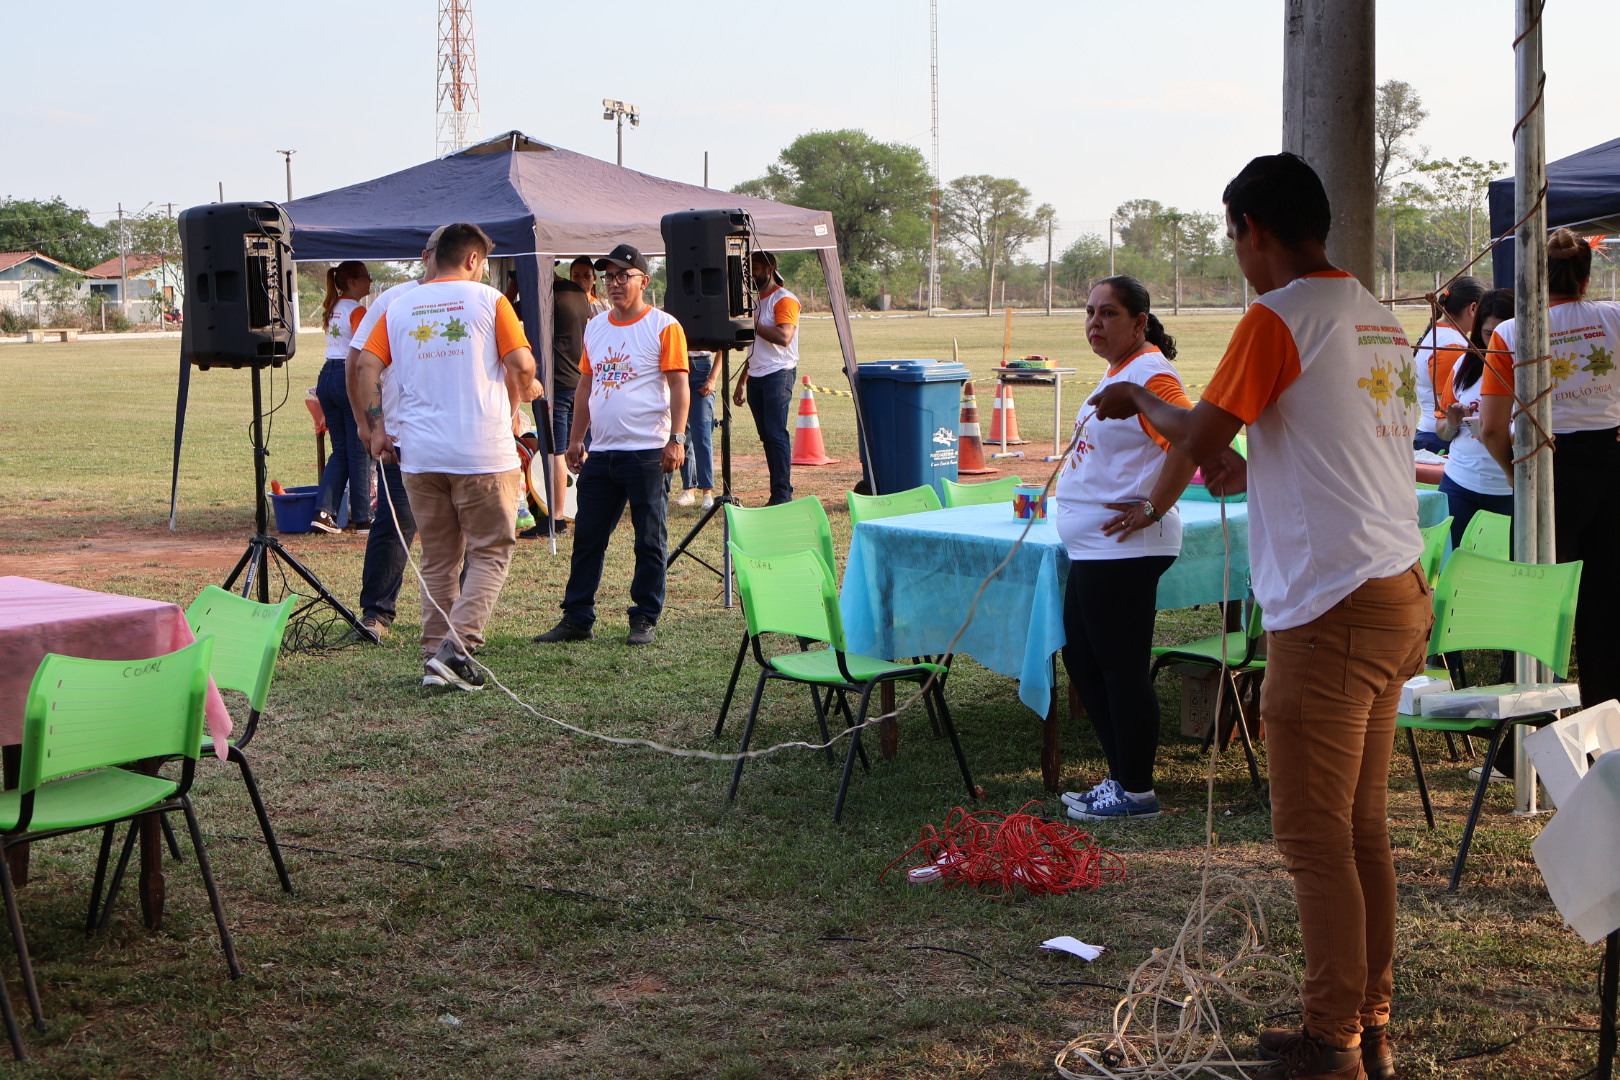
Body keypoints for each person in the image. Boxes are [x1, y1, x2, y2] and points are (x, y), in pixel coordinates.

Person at [1090, 153, 1431, 1080]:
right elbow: (1306, 447)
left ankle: (1333, 1046)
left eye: (1233, 235)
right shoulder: (1376, 315)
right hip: (1393, 589)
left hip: (1331, 606)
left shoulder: (1278, 317)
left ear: (1255, 230)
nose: (1236, 253)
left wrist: (1141, 400)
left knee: (1316, 840)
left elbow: (1200, 433)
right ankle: (1365, 1019)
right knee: (1358, 832)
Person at [353, 222, 541, 691]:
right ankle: (456, 650)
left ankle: (433, 655)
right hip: (481, 453)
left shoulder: (399, 306)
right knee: (491, 552)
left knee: (439, 559)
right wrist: (529, 383)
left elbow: (365, 366)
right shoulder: (490, 301)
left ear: (437, 256)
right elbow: (521, 363)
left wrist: (376, 427)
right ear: (475, 260)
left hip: (419, 455)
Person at [1053, 275, 1196, 822]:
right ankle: (1121, 779)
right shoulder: (1120, 372)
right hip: (1095, 550)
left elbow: (1188, 440)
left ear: (1139, 322)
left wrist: (1153, 508)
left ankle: (1136, 790)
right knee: (1084, 660)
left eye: (1108, 313)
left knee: (1120, 667)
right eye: (1089, 312)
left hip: (1126, 551)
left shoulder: (1153, 376)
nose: (1095, 323)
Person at [1480, 228, 1620, 713]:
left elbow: (1492, 430)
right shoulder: (1614, 316)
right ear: (1586, 278)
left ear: (1532, 277)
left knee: (1536, 609)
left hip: (1546, 470)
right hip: (1611, 469)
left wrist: (1516, 479)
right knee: (1608, 609)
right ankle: (1611, 732)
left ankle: (1521, 742)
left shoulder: (1511, 331)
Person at [533, 243, 690, 647]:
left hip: (648, 451)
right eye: (609, 277)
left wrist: (676, 438)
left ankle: (645, 616)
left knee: (649, 538)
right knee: (588, 536)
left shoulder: (663, 326)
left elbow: (678, 384)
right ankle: (578, 616)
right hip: (601, 452)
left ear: (644, 281)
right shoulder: (597, 325)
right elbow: (586, 383)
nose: (615, 283)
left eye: (624, 276)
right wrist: (576, 438)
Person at [344, 228, 444, 639]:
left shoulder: (479, 300)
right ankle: (376, 614)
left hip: (461, 438)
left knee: (467, 532)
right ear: (426, 256)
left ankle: (459, 619)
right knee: (396, 522)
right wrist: (366, 423)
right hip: (403, 436)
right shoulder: (394, 299)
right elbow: (356, 362)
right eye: (444, 252)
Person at [1435, 287, 1514, 550]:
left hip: (1509, 488)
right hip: (1459, 482)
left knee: (1506, 566)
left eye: (1504, 333)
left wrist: (1504, 432)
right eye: (1489, 333)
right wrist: (1453, 422)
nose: (1496, 343)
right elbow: (1442, 432)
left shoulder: (1531, 372)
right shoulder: (1464, 366)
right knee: (1453, 560)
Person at [520, 268, 592, 537]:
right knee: (579, 448)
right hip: (578, 380)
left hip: (557, 385)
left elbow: (506, 309)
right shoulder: (577, 292)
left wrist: (516, 284)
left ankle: (557, 519)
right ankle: (584, 509)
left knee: (556, 454)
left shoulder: (544, 298)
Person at [313, 260, 374, 534]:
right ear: (351, 282)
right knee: (359, 448)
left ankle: (324, 512)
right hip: (347, 375)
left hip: (327, 375)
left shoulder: (333, 307)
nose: (370, 282)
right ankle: (363, 517)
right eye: (366, 277)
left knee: (341, 450)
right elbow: (363, 349)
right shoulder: (357, 310)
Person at [733, 250, 798, 505]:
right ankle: (778, 491)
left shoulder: (784, 299)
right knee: (766, 436)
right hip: (757, 375)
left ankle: (782, 494)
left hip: (778, 374)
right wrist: (742, 381)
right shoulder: (753, 300)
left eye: (756, 268)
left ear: (770, 269)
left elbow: (784, 337)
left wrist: (751, 322)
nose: (750, 274)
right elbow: (754, 348)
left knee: (775, 433)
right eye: (747, 270)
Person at [1410, 277, 1486, 454]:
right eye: (1486, 312)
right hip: (1439, 441)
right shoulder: (1452, 345)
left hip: (1432, 436)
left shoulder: (1441, 334)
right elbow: (1449, 408)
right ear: (1473, 308)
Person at [671, 350, 717, 509]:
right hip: (676, 363)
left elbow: (723, 348)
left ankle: (707, 493)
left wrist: (712, 379)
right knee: (680, 433)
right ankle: (688, 490)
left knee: (702, 433)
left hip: (701, 366)